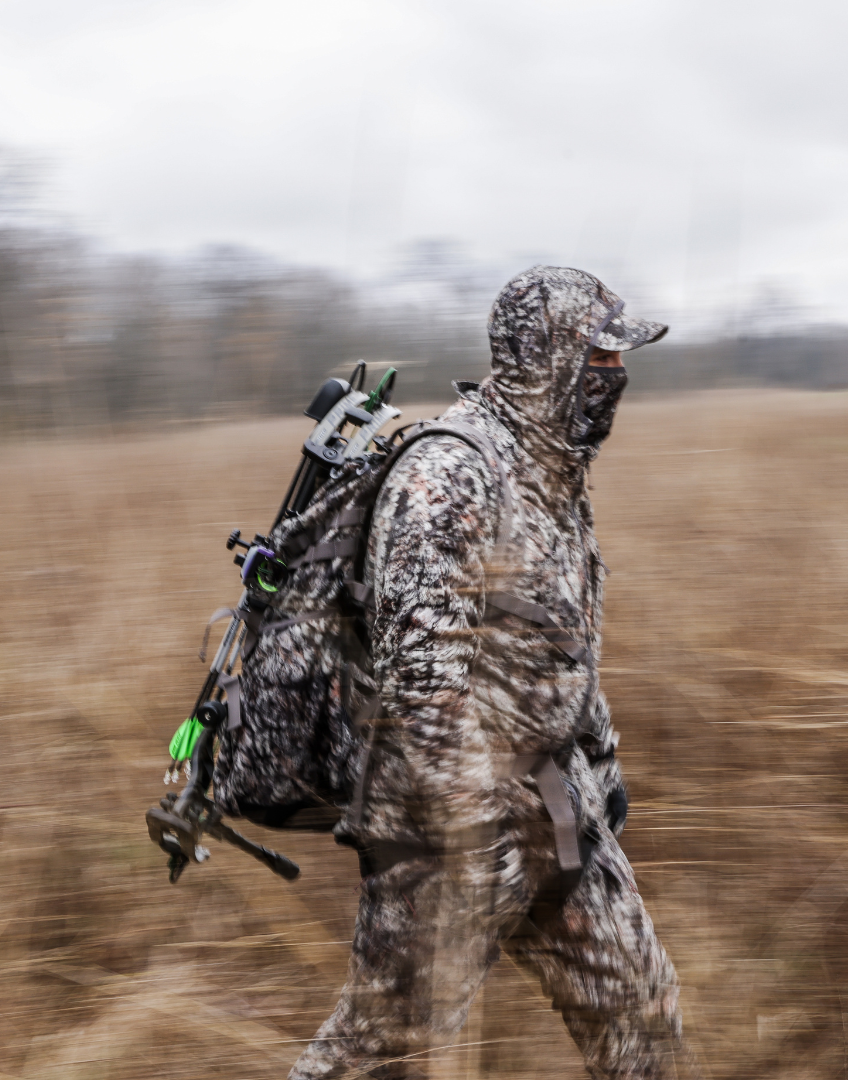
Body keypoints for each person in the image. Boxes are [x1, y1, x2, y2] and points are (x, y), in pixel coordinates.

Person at [290, 265, 691, 1080]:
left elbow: (560, 641)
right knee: (382, 1050)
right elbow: (421, 692)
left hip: (553, 803)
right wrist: (477, 837)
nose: (616, 377)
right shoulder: (448, 476)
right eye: (601, 357)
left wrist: (600, 768)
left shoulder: (551, 472)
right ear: (545, 356)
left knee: (642, 1012)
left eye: (619, 360)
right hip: (442, 834)